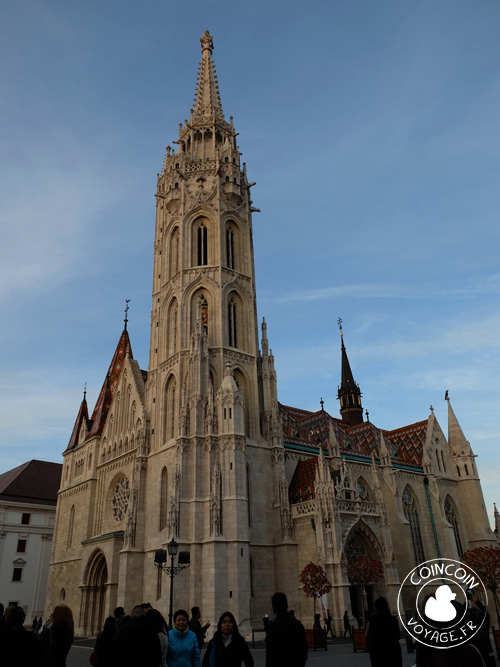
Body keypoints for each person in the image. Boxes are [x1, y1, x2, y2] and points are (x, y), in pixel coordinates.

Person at [265, 592, 308, 667]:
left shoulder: (273, 627)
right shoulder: (298, 624)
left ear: (274, 607)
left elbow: (270, 655)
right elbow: (304, 650)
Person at [365, 597, 401, 667]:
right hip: (393, 650)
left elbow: (367, 634)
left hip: (377, 650)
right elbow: (398, 636)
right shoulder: (393, 620)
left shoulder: (371, 620)